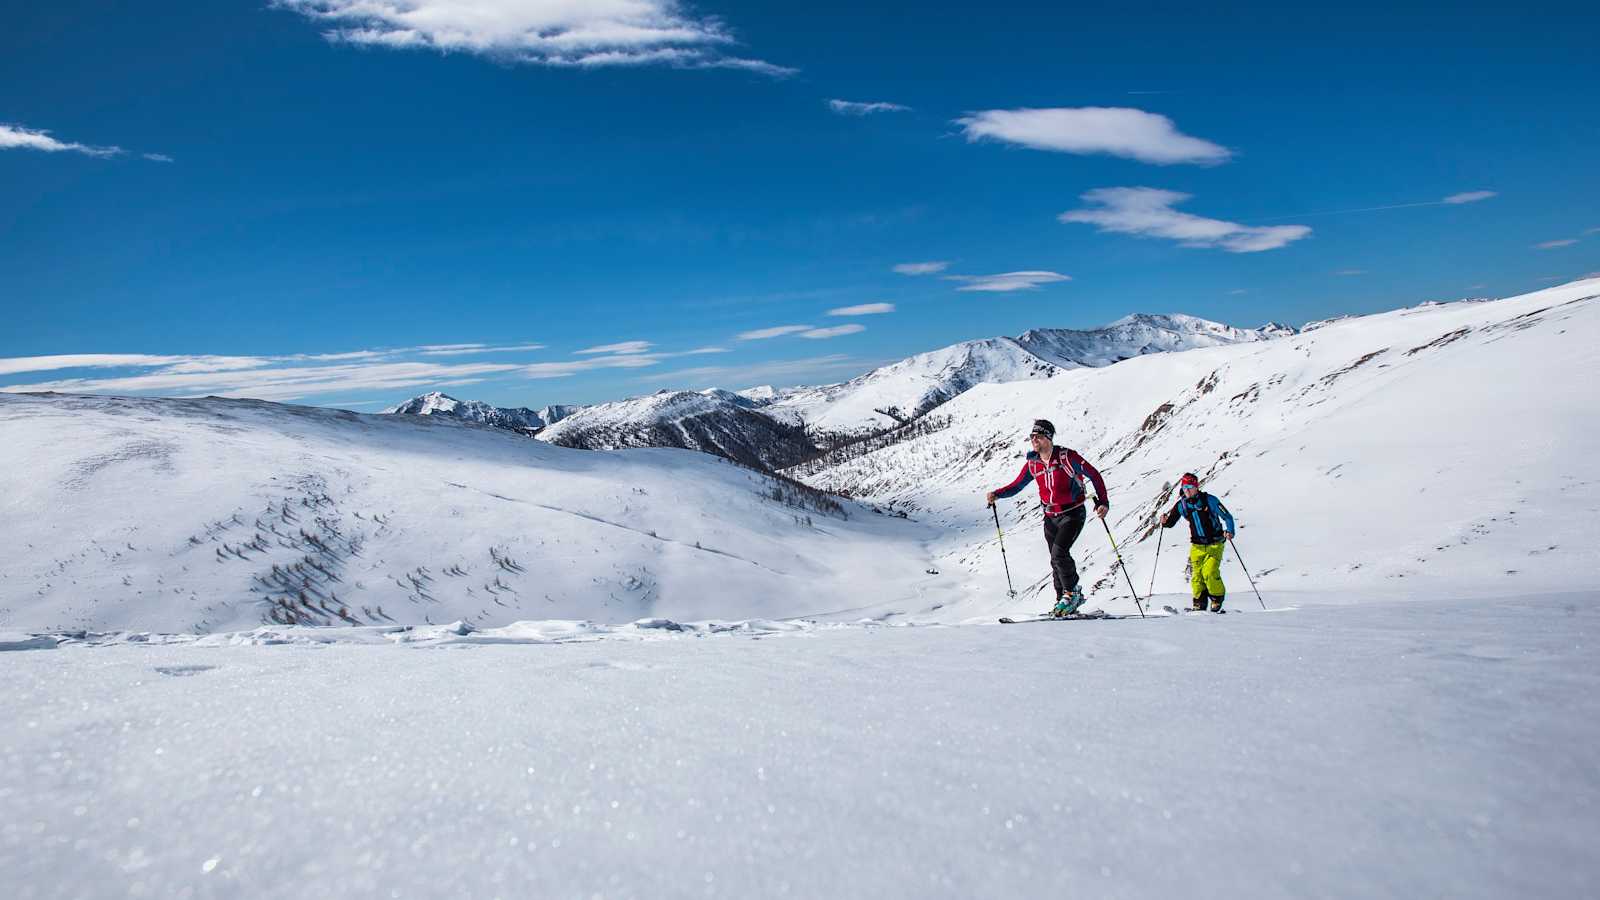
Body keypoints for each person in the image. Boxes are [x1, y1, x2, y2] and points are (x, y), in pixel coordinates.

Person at [986, 419, 1109, 617]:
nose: (1034, 440)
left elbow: (1094, 475)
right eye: (1032, 437)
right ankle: (1062, 600)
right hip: (1050, 516)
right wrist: (997, 493)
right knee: (1055, 560)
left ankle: (1072, 593)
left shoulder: (1067, 457)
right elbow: (1017, 485)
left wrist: (1103, 502)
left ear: (1049, 438)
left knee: (1059, 554)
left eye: (1039, 436)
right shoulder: (1033, 464)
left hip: (1072, 513)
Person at [1160, 472, 1236, 612]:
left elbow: (1227, 517)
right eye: (1184, 487)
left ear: (1196, 487)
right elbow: (1170, 522)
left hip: (1215, 543)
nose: (1187, 490)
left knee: (1209, 572)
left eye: (1190, 487)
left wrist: (1230, 531)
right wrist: (1164, 522)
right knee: (1196, 577)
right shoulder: (1181, 505)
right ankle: (1199, 603)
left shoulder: (1210, 500)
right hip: (1197, 546)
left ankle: (1216, 598)